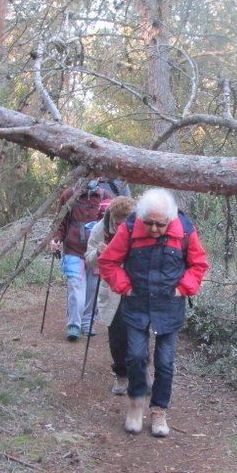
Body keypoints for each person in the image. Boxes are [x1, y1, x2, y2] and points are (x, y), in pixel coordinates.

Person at [99, 188, 209, 437]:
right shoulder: (129, 229)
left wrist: (184, 288)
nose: (154, 229)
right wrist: (124, 287)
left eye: (159, 224)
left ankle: (159, 411)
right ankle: (136, 404)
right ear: (141, 216)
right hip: (136, 303)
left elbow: (199, 264)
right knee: (136, 356)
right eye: (148, 223)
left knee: (165, 362)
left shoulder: (184, 230)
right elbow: (108, 262)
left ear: (169, 219)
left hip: (169, 305)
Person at [84, 195, 137, 394]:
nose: (122, 227)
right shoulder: (100, 229)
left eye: (126, 223)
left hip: (137, 284)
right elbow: (88, 259)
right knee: (117, 332)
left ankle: (140, 372)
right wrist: (99, 253)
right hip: (113, 286)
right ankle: (122, 375)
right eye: (118, 223)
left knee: (139, 330)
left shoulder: (141, 225)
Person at [50, 178, 113, 341]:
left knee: (93, 288)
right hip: (74, 249)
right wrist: (56, 239)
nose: (89, 179)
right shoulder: (69, 195)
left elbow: (113, 224)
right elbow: (60, 221)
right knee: (75, 286)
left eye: (93, 175)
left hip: (97, 251)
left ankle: (87, 323)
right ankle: (74, 325)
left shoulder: (106, 196)